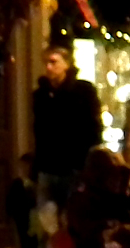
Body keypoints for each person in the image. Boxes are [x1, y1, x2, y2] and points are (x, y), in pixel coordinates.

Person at [32, 47, 103, 206]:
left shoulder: (83, 91)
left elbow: (92, 128)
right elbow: (39, 132)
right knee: (46, 217)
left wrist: (86, 162)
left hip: (74, 167)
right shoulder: (42, 95)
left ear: (67, 64)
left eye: (54, 62)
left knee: (71, 213)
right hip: (48, 166)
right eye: (46, 63)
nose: (49, 68)